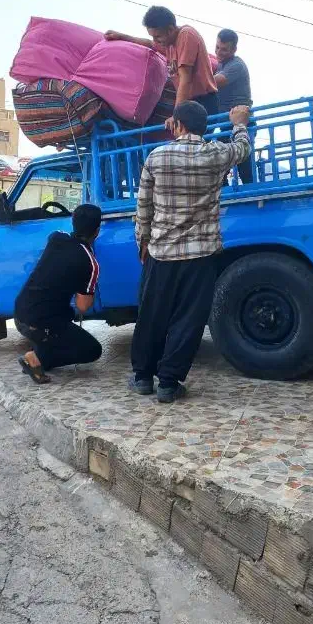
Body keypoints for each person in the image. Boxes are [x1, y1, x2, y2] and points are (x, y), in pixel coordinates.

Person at [131, 101, 251, 403]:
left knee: (152, 315)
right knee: (188, 319)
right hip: (201, 255)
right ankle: (169, 384)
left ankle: (143, 377)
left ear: (178, 125)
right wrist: (239, 123)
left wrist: (142, 242)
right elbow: (242, 149)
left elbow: (143, 206)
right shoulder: (215, 154)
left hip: (161, 253)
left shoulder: (156, 157)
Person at [15, 203, 102, 384]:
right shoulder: (90, 262)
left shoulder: (56, 238)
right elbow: (82, 306)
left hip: (20, 313)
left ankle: (39, 354)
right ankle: (37, 360)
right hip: (43, 323)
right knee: (93, 350)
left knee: (59, 326)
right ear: (97, 230)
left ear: (73, 222)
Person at [105, 7, 219, 118]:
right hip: (190, 103)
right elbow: (150, 44)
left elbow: (185, 78)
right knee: (185, 137)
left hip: (203, 102)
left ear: (170, 29)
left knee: (192, 137)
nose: (156, 40)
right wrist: (122, 36)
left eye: (157, 36)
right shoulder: (169, 45)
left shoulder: (186, 35)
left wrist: (176, 115)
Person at [214, 29, 254, 184]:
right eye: (217, 47)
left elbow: (216, 82)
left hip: (240, 120)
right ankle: (223, 188)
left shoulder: (236, 65)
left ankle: (250, 192)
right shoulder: (221, 65)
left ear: (233, 49)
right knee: (220, 161)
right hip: (227, 122)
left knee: (243, 162)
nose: (219, 52)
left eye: (224, 49)